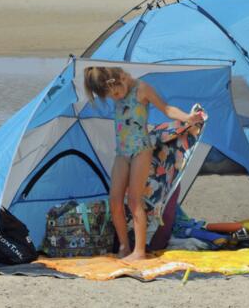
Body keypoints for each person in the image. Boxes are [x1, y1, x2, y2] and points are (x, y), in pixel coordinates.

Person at [83, 66, 205, 261]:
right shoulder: (115, 89)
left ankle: (139, 251)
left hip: (141, 150)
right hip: (122, 152)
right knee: (115, 201)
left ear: (122, 77)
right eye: (111, 96)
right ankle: (124, 246)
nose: (115, 98)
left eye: (116, 93)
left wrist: (187, 118)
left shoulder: (142, 89)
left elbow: (166, 109)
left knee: (134, 200)